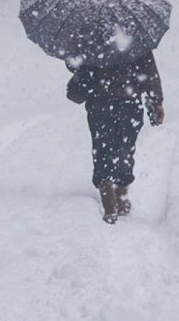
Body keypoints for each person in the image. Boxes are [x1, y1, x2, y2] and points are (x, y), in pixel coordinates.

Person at [66, 51, 164, 224]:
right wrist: (155, 100)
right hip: (128, 99)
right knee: (125, 147)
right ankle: (121, 196)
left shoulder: (89, 38)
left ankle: (109, 201)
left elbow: (74, 64)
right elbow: (148, 70)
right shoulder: (135, 39)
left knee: (102, 147)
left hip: (99, 100)